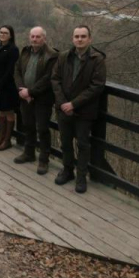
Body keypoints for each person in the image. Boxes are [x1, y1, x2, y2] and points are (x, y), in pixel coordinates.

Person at [51, 25, 107, 194]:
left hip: (84, 111)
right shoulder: (63, 57)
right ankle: (67, 170)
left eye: (83, 36)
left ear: (90, 39)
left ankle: (81, 176)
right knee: (65, 142)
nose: (80, 39)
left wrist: (73, 104)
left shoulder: (97, 59)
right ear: (72, 39)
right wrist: (62, 103)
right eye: (77, 36)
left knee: (82, 144)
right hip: (63, 109)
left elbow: (96, 86)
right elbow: (55, 79)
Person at [14, 26, 59, 173]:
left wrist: (30, 92)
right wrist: (21, 89)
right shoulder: (25, 51)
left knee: (42, 128)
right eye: (32, 36)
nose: (34, 39)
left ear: (44, 38)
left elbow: (48, 78)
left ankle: (44, 160)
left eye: (38, 37)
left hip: (42, 99)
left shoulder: (52, 55)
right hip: (25, 96)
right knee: (28, 125)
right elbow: (18, 71)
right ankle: (29, 153)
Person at [0, 25, 20, 151]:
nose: (2, 34)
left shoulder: (13, 50)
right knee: (1, 110)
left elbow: (10, 70)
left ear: (10, 35)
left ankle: (7, 140)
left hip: (7, 86)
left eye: (5, 33)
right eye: (1, 32)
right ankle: (1, 137)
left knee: (9, 111)